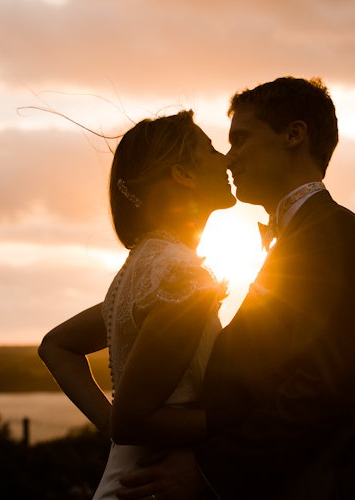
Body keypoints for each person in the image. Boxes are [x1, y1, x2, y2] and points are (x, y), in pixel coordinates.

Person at [116, 77, 355, 499]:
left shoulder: (335, 233)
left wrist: (207, 470)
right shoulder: (304, 236)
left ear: (294, 135)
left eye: (240, 140)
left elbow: (320, 388)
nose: (229, 159)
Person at [38, 110, 236, 500]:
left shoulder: (143, 269)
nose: (227, 158)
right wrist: (240, 421)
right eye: (212, 149)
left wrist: (110, 427)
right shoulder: (179, 276)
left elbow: (55, 345)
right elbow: (133, 420)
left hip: (129, 480)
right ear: (184, 174)